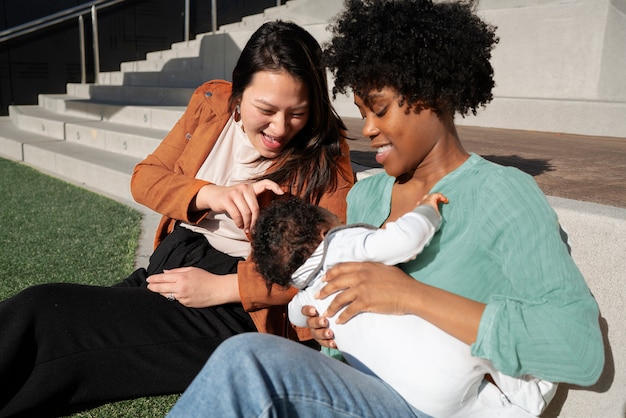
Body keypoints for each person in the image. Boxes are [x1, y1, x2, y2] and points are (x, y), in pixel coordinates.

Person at [167, 0, 605, 417]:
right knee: (246, 360)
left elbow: (579, 350)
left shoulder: (500, 194)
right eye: (361, 111)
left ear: (434, 95)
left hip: (435, 408)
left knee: (248, 362)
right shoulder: (368, 196)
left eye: (379, 109)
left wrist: (409, 296)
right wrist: (330, 332)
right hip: (359, 390)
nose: (369, 129)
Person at [0, 20, 353, 417]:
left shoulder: (328, 153)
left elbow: (325, 263)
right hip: (172, 266)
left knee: (46, 314)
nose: (280, 128)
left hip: (236, 308)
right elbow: (146, 178)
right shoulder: (210, 103)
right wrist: (210, 194)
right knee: (52, 329)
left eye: (298, 113)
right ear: (238, 93)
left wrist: (222, 288)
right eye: (266, 110)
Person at [250, 194, 557, 417]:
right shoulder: (341, 244)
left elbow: (295, 314)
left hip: (414, 399)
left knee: (471, 405)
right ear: (323, 231)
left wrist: (307, 316)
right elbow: (403, 241)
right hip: (451, 358)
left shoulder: (307, 295)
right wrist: (426, 210)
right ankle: (531, 391)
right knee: (484, 342)